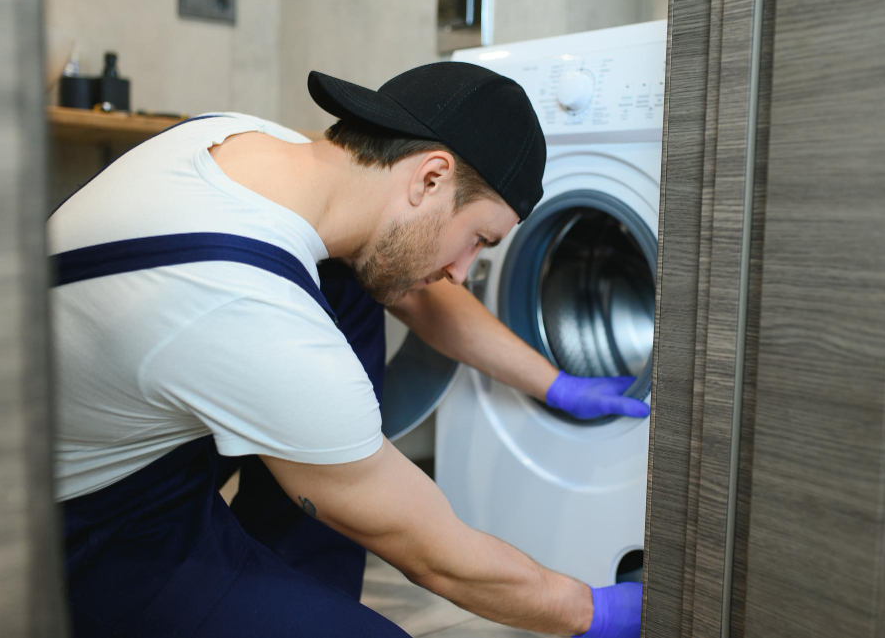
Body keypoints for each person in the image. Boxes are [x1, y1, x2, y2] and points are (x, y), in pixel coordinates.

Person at [49, 62, 650, 637]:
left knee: (355, 281)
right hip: (74, 530)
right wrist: (587, 610)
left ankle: (296, 572)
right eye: (476, 240)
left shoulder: (245, 143)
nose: (462, 273)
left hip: (109, 424)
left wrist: (552, 382)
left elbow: (415, 295)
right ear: (431, 177)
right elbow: (428, 551)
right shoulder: (246, 303)